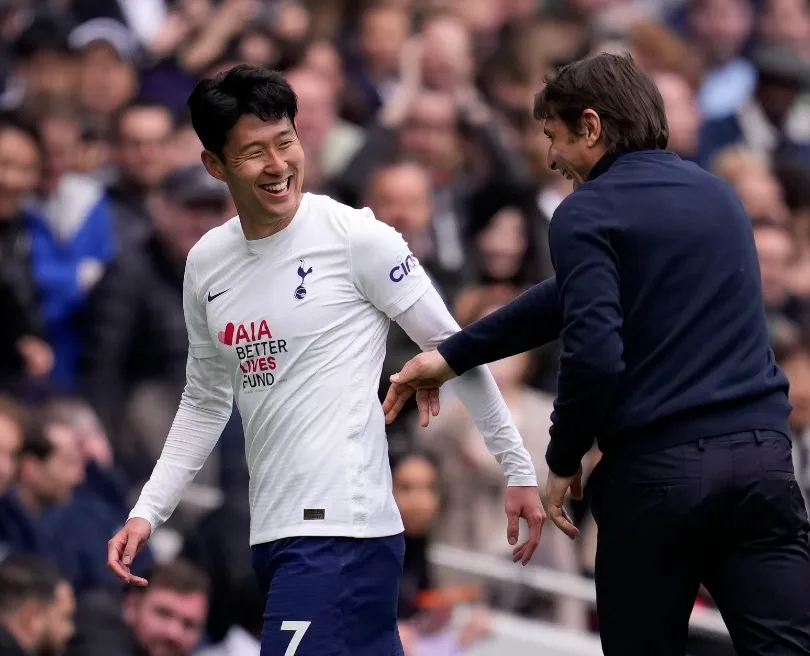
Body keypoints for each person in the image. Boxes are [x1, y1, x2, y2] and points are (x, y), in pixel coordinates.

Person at [383, 52, 810, 655]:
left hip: (659, 476)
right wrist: (453, 354)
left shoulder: (584, 211)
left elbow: (594, 354)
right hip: (762, 465)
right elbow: (566, 297)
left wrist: (561, 459)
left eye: (553, 136)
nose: (551, 158)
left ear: (591, 127)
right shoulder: (719, 196)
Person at [105, 64, 545, 656]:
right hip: (275, 533)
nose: (278, 164)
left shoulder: (356, 237)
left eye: (285, 141)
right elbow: (205, 400)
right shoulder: (206, 263)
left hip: (343, 531)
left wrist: (517, 469)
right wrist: (148, 511)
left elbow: (456, 348)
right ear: (215, 165)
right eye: (253, 152)